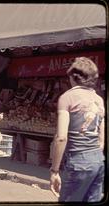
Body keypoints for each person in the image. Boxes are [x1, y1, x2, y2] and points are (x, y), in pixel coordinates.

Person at [50, 57, 105, 202]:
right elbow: (101, 139)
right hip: (98, 160)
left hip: (79, 161)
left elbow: (61, 138)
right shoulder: (99, 100)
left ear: (73, 77)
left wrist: (54, 170)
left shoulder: (67, 98)